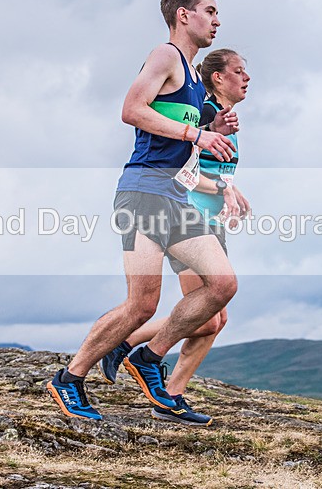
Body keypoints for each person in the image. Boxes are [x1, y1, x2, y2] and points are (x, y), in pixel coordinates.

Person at [47, 0, 242, 420]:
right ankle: (70, 379)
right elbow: (132, 109)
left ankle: (149, 358)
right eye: (209, 11)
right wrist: (198, 133)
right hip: (141, 195)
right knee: (141, 304)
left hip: (173, 197)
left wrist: (215, 136)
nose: (216, 20)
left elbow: (183, 137)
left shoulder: (192, 79)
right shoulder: (165, 56)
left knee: (223, 284)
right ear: (183, 16)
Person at [98, 49, 251, 426]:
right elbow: (182, 170)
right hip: (186, 217)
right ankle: (131, 348)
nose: (247, 78)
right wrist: (221, 188)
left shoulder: (219, 119)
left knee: (213, 320)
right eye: (239, 71)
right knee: (205, 317)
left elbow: (208, 169)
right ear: (217, 77)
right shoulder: (201, 112)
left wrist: (230, 192)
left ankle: (166, 390)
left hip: (207, 221)